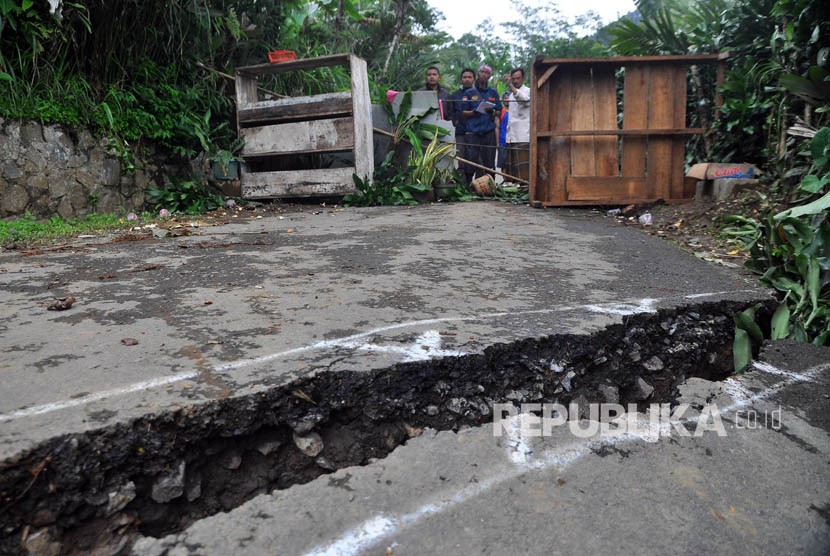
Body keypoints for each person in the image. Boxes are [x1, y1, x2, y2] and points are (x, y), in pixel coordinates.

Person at [459, 64, 502, 180]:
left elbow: (499, 110)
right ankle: (468, 186)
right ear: (478, 74)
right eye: (482, 72)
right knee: (471, 161)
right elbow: (463, 111)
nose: (484, 74)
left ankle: (491, 187)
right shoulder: (469, 93)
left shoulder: (493, 93)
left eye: (487, 73)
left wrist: (493, 111)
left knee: (489, 161)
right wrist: (474, 112)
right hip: (473, 132)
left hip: (488, 131)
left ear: (490, 76)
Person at [503, 67, 531, 182]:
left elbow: (523, 100)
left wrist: (511, 87)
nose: (515, 81)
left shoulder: (528, 91)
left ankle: (524, 191)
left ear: (523, 78)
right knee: (512, 169)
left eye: (518, 78)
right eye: (513, 79)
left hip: (523, 136)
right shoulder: (510, 94)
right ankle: (513, 192)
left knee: (523, 171)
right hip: (511, 137)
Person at [450, 68, 477, 184]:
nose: (467, 79)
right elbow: (451, 112)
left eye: (469, 77)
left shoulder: (478, 93)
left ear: (474, 79)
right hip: (460, 131)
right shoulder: (455, 95)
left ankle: (471, 184)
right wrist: (455, 122)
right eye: (464, 77)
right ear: (461, 79)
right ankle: (462, 185)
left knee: (473, 159)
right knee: (461, 159)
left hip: (475, 132)